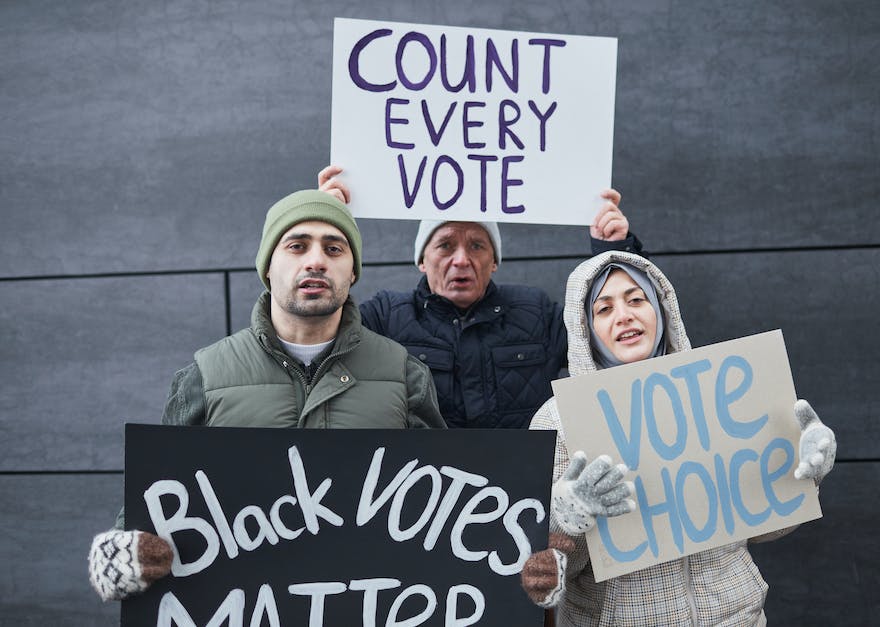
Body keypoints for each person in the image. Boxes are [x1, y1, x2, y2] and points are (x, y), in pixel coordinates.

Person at [87, 189, 446, 602]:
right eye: (296, 246)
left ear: (352, 272)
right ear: (268, 267)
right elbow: (154, 501)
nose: (315, 260)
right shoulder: (205, 376)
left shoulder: (405, 375)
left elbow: (444, 507)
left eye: (334, 248)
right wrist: (122, 551)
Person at [519, 250, 837, 626]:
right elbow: (548, 571)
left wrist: (801, 474)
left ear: (661, 309)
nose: (624, 315)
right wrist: (564, 519)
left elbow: (766, 528)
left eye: (636, 299)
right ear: (585, 327)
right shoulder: (558, 418)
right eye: (604, 309)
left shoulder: (716, 392)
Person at [317, 164, 646, 429]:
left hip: (526, 491)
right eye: (445, 245)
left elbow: (613, 345)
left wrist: (613, 249)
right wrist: (325, 224)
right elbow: (319, 331)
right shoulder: (387, 317)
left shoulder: (536, 313)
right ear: (421, 260)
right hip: (420, 493)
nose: (461, 259)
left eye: (477, 245)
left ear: (494, 261)